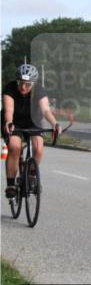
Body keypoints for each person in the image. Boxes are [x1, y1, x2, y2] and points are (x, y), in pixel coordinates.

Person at [2, 64, 60, 199]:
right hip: (13, 122)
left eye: (27, 85)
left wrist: (55, 123)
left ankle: (32, 176)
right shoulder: (10, 88)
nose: (23, 87)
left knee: (38, 148)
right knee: (14, 147)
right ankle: (11, 185)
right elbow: (9, 110)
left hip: (33, 121)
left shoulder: (39, 90)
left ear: (33, 84)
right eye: (21, 83)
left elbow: (45, 110)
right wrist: (8, 123)